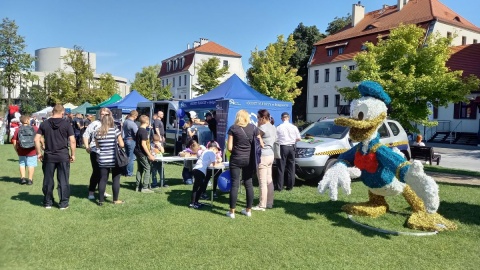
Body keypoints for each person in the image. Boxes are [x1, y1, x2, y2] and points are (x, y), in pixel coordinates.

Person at [34, 104, 75, 209]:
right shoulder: (66, 124)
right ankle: (63, 203)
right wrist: (73, 154)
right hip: (63, 156)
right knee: (63, 180)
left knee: (48, 180)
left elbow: (36, 139)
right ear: (62, 112)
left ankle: (48, 202)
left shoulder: (44, 124)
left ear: (53, 112)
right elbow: (72, 141)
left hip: (49, 156)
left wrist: (39, 153)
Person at [226, 109, 260, 218]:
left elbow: (229, 147)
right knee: (248, 184)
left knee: (235, 184)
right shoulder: (254, 128)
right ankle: (248, 210)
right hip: (249, 159)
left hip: (236, 158)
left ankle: (232, 212)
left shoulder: (233, 128)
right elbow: (260, 144)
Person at [95, 113, 125, 206]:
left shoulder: (97, 132)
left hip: (103, 158)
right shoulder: (115, 130)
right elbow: (122, 144)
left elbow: (97, 146)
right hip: (114, 158)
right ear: (111, 121)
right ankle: (115, 200)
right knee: (116, 179)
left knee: (103, 179)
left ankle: (101, 201)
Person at [83, 108, 112, 200]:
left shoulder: (111, 124)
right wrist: (87, 146)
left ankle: (102, 190)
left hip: (107, 151)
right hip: (96, 151)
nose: (103, 115)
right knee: (96, 171)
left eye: (105, 114)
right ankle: (91, 191)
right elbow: (85, 134)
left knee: (105, 172)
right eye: (102, 114)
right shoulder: (95, 124)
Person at [253, 109, 277, 211]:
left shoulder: (262, 127)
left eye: (258, 118)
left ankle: (262, 205)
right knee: (269, 180)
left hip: (263, 155)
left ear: (263, 118)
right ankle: (270, 203)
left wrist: (258, 125)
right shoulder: (273, 127)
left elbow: (255, 137)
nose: (257, 119)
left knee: (262, 181)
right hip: (271, 154)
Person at [189, 141, 221, 209]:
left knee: (196, 187)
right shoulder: (211, 153)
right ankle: (194, 203)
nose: (217, 152)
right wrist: (219, 163)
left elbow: (207, 162)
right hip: (200, 171)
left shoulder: (205, 151)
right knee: (201, 187)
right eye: (216, 150)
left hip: (196, 169)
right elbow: (214, 165)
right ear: (213, 148)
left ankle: (193, 202)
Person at [275, 112, 301, 191]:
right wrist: (292, 140)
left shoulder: (279, 127)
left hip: (283, 147)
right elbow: (299, 138)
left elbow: (276, 138)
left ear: (282, 118)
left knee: (281, 167)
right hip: (292, 147)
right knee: (291, 167)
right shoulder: (294, 127)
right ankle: (290, 186)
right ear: (288, 118)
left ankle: (280, 186)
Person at [12, 115, 39, 185]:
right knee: (31, 164)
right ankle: (30, 180)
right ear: (27, 120)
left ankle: (22, 178)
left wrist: (17, 150)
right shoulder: (35, 128)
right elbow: (38, 139)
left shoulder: (18, 129)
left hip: (21, 150)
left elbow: (14, 142)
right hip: (32, 150)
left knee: (22, 164)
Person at [134, 115, 155, 193]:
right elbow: (143, 144)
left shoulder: (139, 130)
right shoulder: (144, 131)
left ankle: (137, 186)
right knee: (147, 168)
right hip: (141, 153)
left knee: (140, 169)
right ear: (147, 121)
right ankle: (145, 187)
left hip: (137, 152)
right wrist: (149, 155)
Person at [122, 110, 139, 177]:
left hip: (126, 139)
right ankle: (129, 173)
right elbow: (136, 133)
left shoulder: (125, 121)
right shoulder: (132, 124)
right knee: (131, 158)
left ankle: (124, 171)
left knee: (126, 156)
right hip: (131, 140)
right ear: (135, 116)